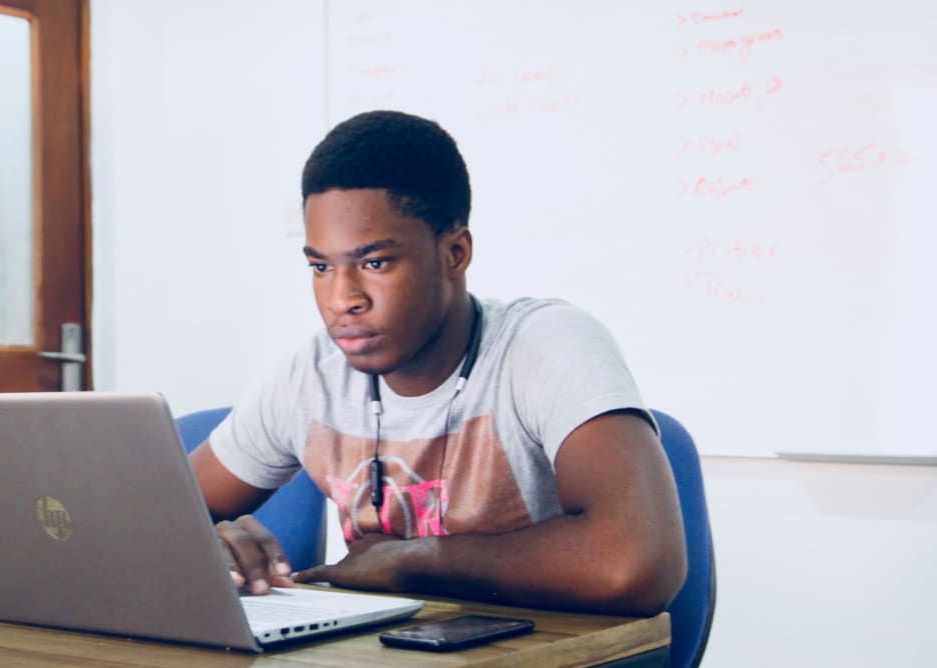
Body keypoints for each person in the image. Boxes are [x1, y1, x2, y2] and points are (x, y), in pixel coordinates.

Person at [190, 110, 686, 619]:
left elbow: (635, 565)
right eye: (321, 267)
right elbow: (144, 522)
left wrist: (414, 561)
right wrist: (208, 542)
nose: (342, 299)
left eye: (375, 263)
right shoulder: (312, 374)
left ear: (454, 252)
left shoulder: (545, 346)